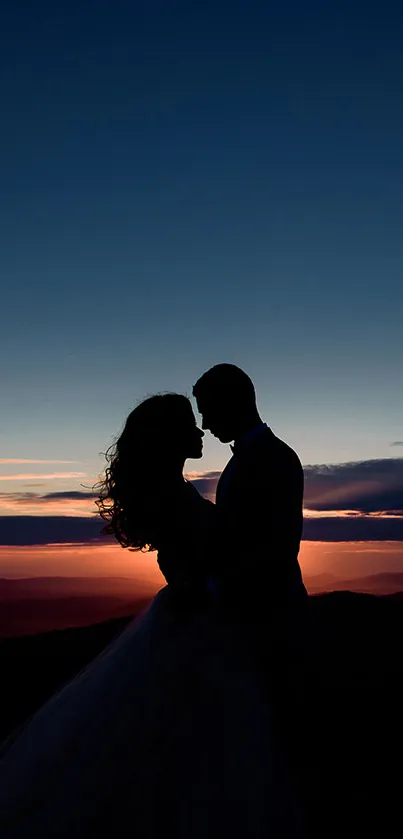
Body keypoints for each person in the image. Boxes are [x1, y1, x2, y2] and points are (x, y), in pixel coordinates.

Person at [0, 393, 304, 839]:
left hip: (196, 620)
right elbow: (184, 565)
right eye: (189, 424)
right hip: (197, 627)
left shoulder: (174, 492)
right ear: (169, 437)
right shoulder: (171, 497)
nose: (200, 431)